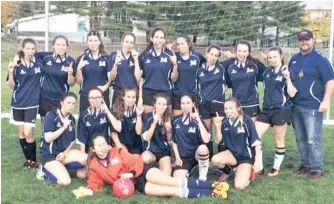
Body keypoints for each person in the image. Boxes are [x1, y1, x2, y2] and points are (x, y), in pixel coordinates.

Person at [72, 135, 229, 199]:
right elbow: (95, 181)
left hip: (141, 171)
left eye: (104, 144)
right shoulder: (93, 164)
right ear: (92, 149)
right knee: (171, 192)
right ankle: (213, 193)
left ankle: (212, 185)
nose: (103, 147)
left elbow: (136, 161)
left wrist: (130, 173)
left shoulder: (117, 151)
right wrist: (89, 190)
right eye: (99, 145)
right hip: (136, 184)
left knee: (171, 182)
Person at [289, 29, 334, 179]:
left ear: (313, 40)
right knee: (300, 138)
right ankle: (305, 164)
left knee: (313, 139)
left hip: (313, 106)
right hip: (296, 105)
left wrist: (326, 100)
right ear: (298, 41)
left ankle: (317, 168)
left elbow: (330, 81)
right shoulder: (294, 59)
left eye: (307, 39)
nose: (304, 42)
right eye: (301, 39)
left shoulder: (320, 59)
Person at [255, 47, 297, 176]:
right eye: (270, 57)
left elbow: (292, 93)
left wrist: (288, 79)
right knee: (254, 137)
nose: (272, 59)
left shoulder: (287, 71)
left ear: (281, 57)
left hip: (281, 110)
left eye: (275, 57)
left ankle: (275, 168)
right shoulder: (267, 71)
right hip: (266, 109)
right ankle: (259, 167)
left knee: (278, 138)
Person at [211, 97, 262, 190]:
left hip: (246, 158)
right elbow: (219, 141)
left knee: (239, 186)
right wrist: (217, 127)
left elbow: (256, 141)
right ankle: (231, 170)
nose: (228, 111)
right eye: (226, 108)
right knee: (214, 160)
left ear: (238, 108)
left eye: (231, 108)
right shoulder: (225, 122)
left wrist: (258, 161)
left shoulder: (246, 121)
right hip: (232, 156)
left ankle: (248, 172)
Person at [7, 38, 42, 168]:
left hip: (32, 103)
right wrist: (10, 72)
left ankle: (32, 159)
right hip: (17, 103)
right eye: (27, 48)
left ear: (35, 50)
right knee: (21, 132)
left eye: (32, 49)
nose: (30, 51)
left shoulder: (38, 65)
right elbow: (11, 86)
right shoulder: (16, 66)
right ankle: (29, 160)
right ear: (23, 49)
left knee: (28, 132)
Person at [38, 92, 87, 185]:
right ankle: (44, 170)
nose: (71, 106)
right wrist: (63, 127)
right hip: (50, 156)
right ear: (61, 102)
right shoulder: (51, 115)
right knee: (66, 181)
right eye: (68, 103)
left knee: (87, 159)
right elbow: (48, 138)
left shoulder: (71, 119)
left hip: (63, 155)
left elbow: (71, 142)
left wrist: (64, 153)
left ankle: (63, 169)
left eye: (73, 104)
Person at [221, 41, 266, 121]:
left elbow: (268, 73)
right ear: (236, 51)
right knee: (235, 131)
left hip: (251, 104)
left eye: (245, 51)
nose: (242, 53)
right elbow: (213, 65)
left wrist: (268, 60)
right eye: (239, 51)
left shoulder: (256, 64)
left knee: (250, 131)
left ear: (249, 52)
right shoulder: (229, 64)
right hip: (235, 105)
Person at [38, 35, 76, 125]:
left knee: (59, 123)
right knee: (45, 123)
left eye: (63, 45)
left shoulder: (70, 61)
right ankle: (45, 138)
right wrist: (17, 58)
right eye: (58, 44)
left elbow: (71, 83)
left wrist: (70, 73)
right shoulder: (45, 57)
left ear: (67, 47)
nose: (60, 47)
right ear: (53, 46)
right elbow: (28, 53)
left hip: (61, 98)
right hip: (45, 97)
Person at [196, 45, 226, 158]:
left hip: (218, 105)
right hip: (204, 105)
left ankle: (222, 159)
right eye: (211, 54)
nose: (213, 57)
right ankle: (208, 158)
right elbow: (197, 88)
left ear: (218, 57)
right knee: (207, 133)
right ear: (207, 53)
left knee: (219, 131)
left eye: (216, 55)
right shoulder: (200, 70)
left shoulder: (221, 68)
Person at [139, 27, 178, 113]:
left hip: (165, 91)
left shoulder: (170, 54)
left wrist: (175, 65)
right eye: (156, 37)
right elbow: (140, 78)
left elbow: (174, 79)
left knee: (165, 123)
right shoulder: (144, 55)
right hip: (148, 92)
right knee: (148, 121)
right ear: (152, 38)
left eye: (161, 38)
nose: (159, 40)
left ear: (164, 40)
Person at [172, 95, 211, 181]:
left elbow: (206, 140)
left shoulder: (198, 121)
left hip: (197, 156)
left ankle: (202, 177)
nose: (185, 105)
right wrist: (177, 157)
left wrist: (198, 120)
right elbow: (174, 142)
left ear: (193, 104)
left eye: (188, 103)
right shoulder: (175, 120)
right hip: (183, 158)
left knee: (203, 148)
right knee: (178, 179)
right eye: (183, 103)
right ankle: (190, 172)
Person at [166, 35, 205, 116]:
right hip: (178, 95)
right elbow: (173, 79)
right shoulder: (174, 57)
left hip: (193, 95)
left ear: (188, 44)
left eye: (182, 43)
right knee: (177, 123)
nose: (180, 46)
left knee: (193, 123)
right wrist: (167, 48)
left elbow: (209, 62)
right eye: (178, 44)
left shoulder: (197, 57)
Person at [75, 31, 112, 113]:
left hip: (101, 96)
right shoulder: (81, 58)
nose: (93, 43)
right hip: (86, 96)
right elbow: (79, 81)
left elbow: (111, 78)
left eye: (95, 40)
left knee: (103, 122)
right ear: (87, 42)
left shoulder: (106, 58)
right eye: (90, 40)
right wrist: (79, 69)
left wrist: (105, 87)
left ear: (99, 42)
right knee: (85, 121)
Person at [77, 87, 121, 153]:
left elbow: (118, 128)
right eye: (92, 98)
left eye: (97, 97)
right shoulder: (84, 116)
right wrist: (84, 156)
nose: (95, 100)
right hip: (91, 149)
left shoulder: (107, 113)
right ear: (88, 99)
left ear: (102, 98)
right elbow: (82, 140)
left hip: (106, 147)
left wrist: (107, 111)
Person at [140, 94, 173, 176]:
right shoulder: (147, 117)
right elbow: (146, 138)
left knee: (166, 176)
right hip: (151, 151)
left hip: (163, 152)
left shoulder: (169, 118)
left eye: (164, 104)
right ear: (154, 105)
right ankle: (154, 163)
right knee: (145, 158)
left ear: (167, 106)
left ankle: (163, 164)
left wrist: (169, 129)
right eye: (159, 104)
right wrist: (154, 122)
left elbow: (169, 140)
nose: (161, 107)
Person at [111, 85, 144, 155]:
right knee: (125, 157)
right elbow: (113, 132)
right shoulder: (116, 110)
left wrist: (139, 115)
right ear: (123, 97)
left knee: (135, 162)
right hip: (121, 143)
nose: (131, 100)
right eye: (128, 97)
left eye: (133, 97)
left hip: (135, 144)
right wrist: (119, 146)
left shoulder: (139, 110)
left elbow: (138, 132)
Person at [109, 32, 141, 104]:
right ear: (121, 42)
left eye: (131, 43)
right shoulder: (113, 56)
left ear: (133, 44)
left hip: (132, 94)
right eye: (126, 42)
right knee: (116, 114)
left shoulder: (136, 56)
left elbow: (138, 78)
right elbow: (111, 78)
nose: (128, 45)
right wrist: (115, 65)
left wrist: (136, 60)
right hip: (118, 91)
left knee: (131, 114)